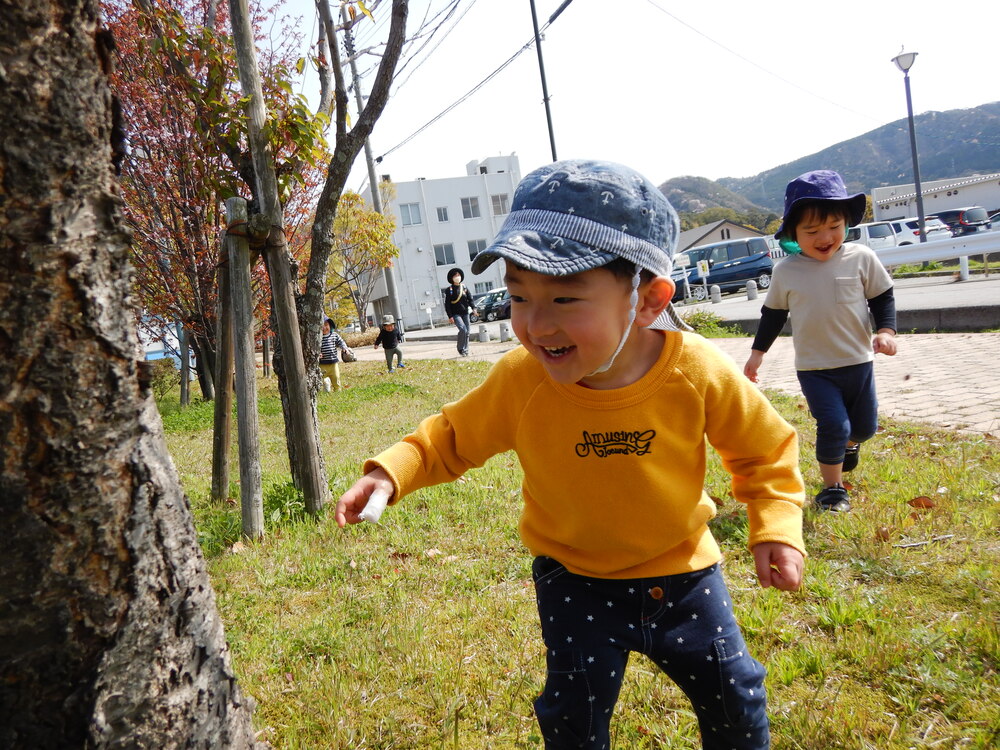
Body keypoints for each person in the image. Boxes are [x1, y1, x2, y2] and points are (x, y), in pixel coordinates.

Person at [338, 160, 806, 749]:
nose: (535, 324)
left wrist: (777, 526)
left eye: (564, 297)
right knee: (573, 714)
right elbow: (451, 437)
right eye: (517, 295)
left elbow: (764, 449)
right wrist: (390, 474)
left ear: (647, 300)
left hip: (684, 574)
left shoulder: (696, 370)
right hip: (574, 581)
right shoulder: (521, 380)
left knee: (735, 693)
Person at [744, 170, 897, 513]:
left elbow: (883, 297)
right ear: (794, 234)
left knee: (864, 428)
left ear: (846, 222)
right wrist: (757, 355)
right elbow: (773, 316)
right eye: (812, 231)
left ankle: (851, 445)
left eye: (834, 226)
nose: (825, 237)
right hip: (815, 368)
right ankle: (833, 489)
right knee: (833, 425)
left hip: (858, 362)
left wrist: (886, 332)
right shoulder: (787, 271)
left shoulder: (861, 258)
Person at [443, 266, 473, 357]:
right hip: (456, 314)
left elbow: (470, 299)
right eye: (455, 275)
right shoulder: (449, 290)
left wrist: (474, 308)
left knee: (467, 332)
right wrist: (450, 316)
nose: (457, 277)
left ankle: (465, 350)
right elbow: (447, 304)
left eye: (459, 275)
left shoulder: (464, 287)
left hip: (465, 312)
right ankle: (460, 348)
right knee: (463, 329)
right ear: (452, 278)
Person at [319, 317, 350, 392]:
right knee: (323, 379)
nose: (324, 327)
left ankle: (337, 390)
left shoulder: (334, 335)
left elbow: (341, 342)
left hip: (333, 363)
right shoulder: (318, 337)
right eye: (321, 326)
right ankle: (327, 390)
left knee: (336, 378)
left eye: (326, 325)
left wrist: (344, 348)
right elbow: (314, 347)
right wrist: (318, 353)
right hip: (322, 363)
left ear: (330, 326)